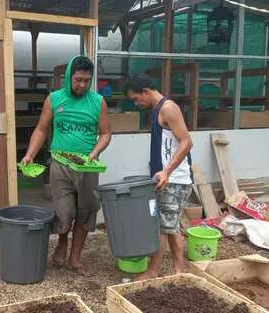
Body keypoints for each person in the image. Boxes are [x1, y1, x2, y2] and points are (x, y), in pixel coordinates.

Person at [21, 55, 111, 275]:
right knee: (64, 212)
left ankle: (75, 258)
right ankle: (62, 240)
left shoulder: (98, 102)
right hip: (60, 164)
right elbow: (41, 129)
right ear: (69, 76)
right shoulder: (54, 99)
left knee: (86, 211)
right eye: (78, 79)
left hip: (88, 167)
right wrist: (30, 154)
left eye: (86, 81)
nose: (82, 85)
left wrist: (94, 153)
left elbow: (106, 133)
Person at [125, 73, 193, 280]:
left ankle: (155, 271)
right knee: (170, 226)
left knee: (163, 228)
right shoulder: (156, 110)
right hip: (165, 180)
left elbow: (186, 142)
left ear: (145, 91)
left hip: (175, 180)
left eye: (136, 99)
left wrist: (167, 171)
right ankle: (178, 270)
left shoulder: (168, 108)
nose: (136, 104)